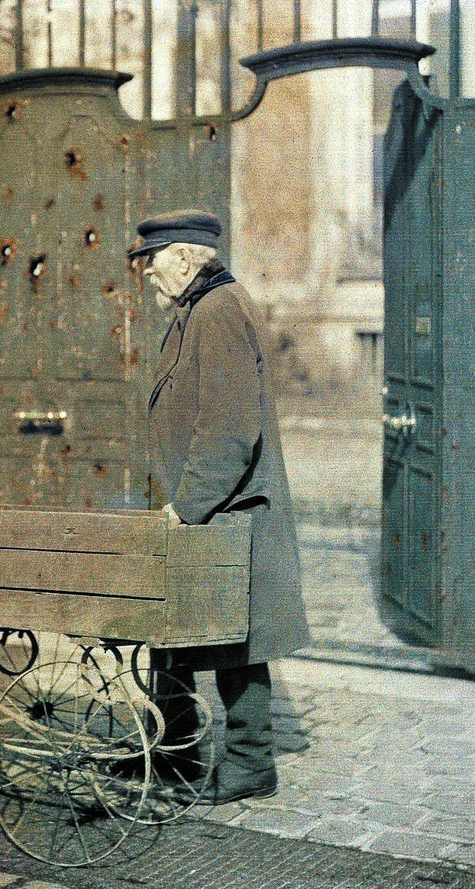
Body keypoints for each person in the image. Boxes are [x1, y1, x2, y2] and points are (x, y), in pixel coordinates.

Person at [129, 210, 309, 804]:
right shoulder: (197, 310)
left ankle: (250, 764)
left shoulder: (218, 311)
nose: (146, 270)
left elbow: (230, 427)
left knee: (236, 643)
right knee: (181, 633)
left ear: (184, 257)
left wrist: (188, 505)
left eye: (152, 258)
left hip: (225, 506)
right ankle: (174, 752)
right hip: (209, 505)